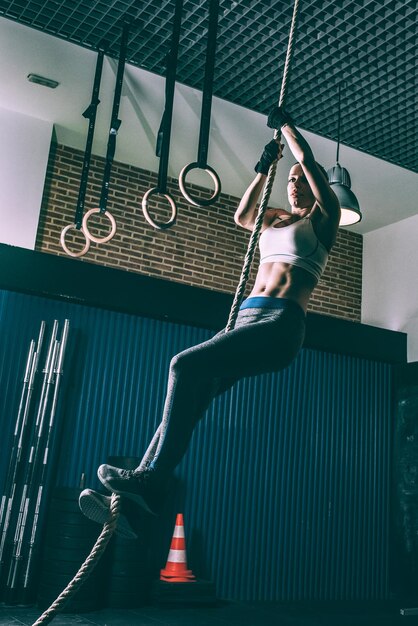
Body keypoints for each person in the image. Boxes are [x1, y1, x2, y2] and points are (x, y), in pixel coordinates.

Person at [79, 107, 341, 536]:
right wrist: (264, 169)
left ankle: (149, 481)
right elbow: (243, 217)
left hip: (279, 325)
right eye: (290, 181)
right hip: (245, 320)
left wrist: (288, 129)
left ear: (316, 189)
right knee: (191, 399)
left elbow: (309, 162)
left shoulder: (324, 221)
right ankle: (141, 498)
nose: (295, 186)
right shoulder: (275, 219)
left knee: (183, 365)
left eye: (301, 181)